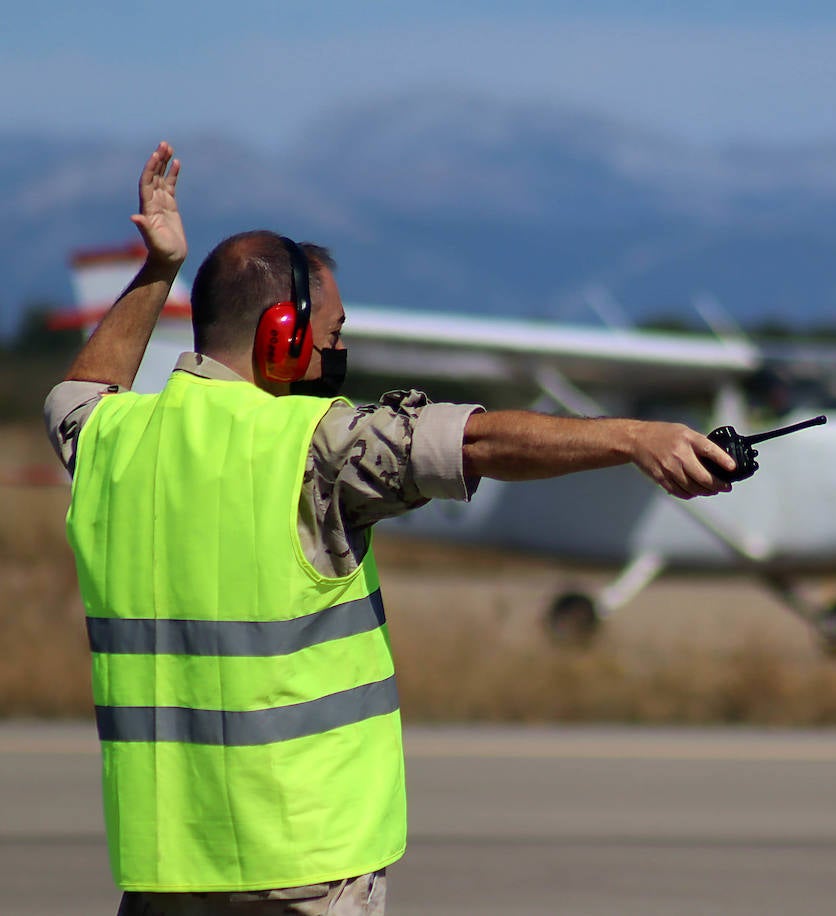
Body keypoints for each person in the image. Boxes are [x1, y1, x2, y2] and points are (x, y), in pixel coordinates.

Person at [46, 142, 736, 916]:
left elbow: (79, 389)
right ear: (284, 334)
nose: (339, 351)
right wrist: (635, 439)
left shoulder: (107, 441)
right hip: (304, 861)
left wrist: (158, 269)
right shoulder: (313, 446)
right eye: (332, 335)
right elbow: (471, 441)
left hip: (166, 867)